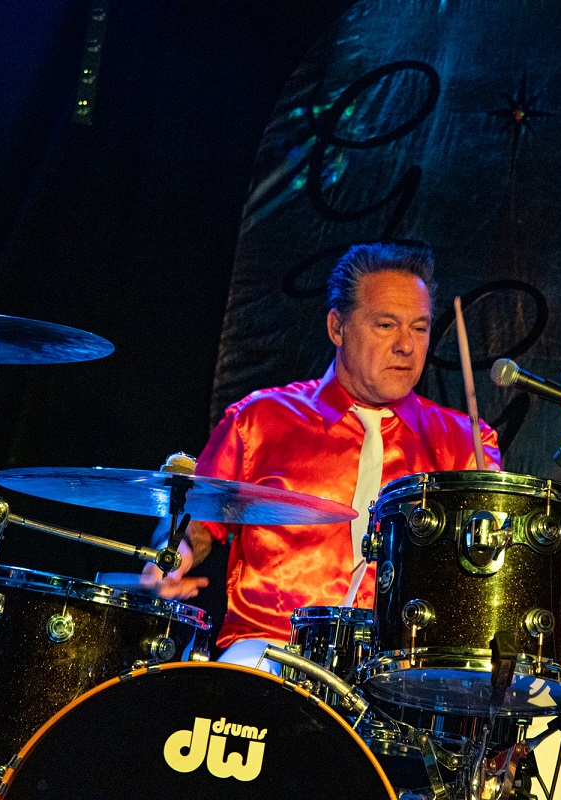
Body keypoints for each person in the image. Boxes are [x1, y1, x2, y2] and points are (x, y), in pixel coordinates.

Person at [141, 242, 500, 661]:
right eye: (386, 325)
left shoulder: (465, 441)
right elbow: (196, 523)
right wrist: (172, 558)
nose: (406, 345)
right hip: (274, 646)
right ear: (337, 327)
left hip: (402, 660)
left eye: (419, 328)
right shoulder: (260, 420)